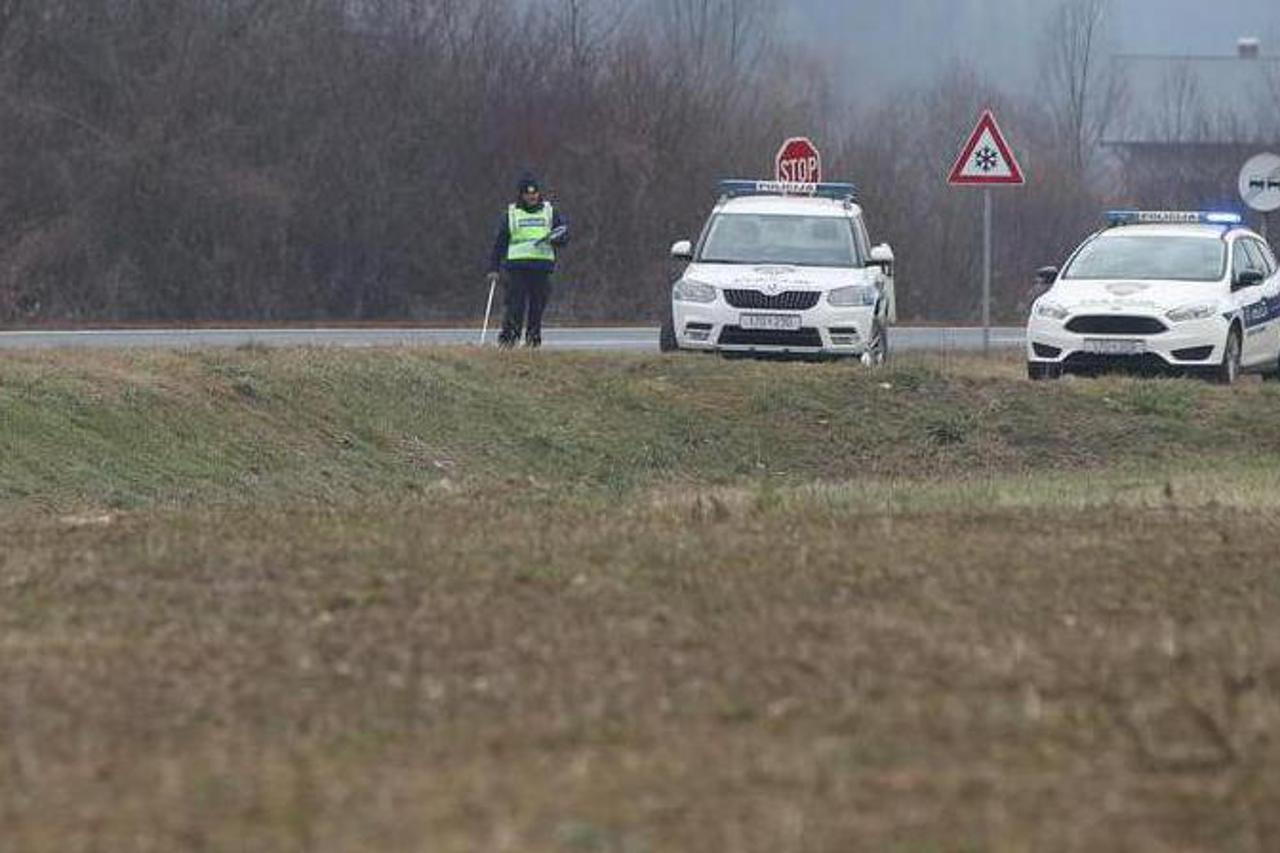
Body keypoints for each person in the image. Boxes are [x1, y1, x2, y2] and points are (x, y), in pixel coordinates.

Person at [487, 173, 569, 348]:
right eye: (527, 193)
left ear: (539, 193)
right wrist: (493, 268)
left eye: (534, 193)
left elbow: (563, 236)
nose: (531, 197)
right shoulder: (512, 213)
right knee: (515, 305)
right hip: (517, 267)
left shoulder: (550, 212)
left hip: (541, 267)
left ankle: (533, 340)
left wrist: (555, 239)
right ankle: (509, 340)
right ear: (521, 195)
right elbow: (500, 242)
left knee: (537, 306)